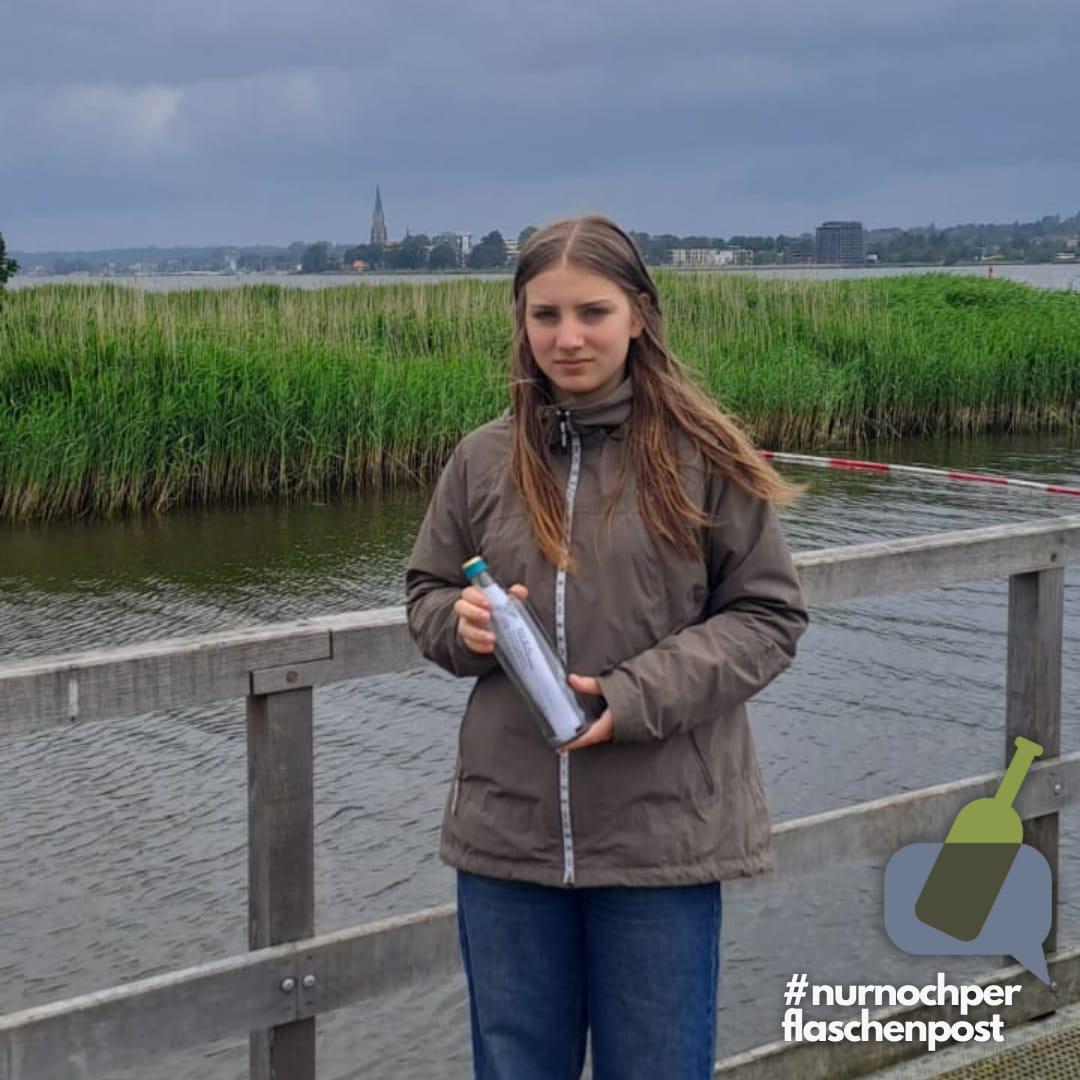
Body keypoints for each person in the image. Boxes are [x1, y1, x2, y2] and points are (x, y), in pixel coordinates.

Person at [405, 214, 808, 1080]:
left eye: (592, 311)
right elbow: (426, 593)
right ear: (520, 322)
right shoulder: (481, 461)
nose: (568, 337)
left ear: (639, 315)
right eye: (545, 315)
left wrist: (628, 697)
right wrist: (463, 627)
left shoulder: (702, 457)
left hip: (661, 839)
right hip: (507, 835)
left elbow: (768, 618)